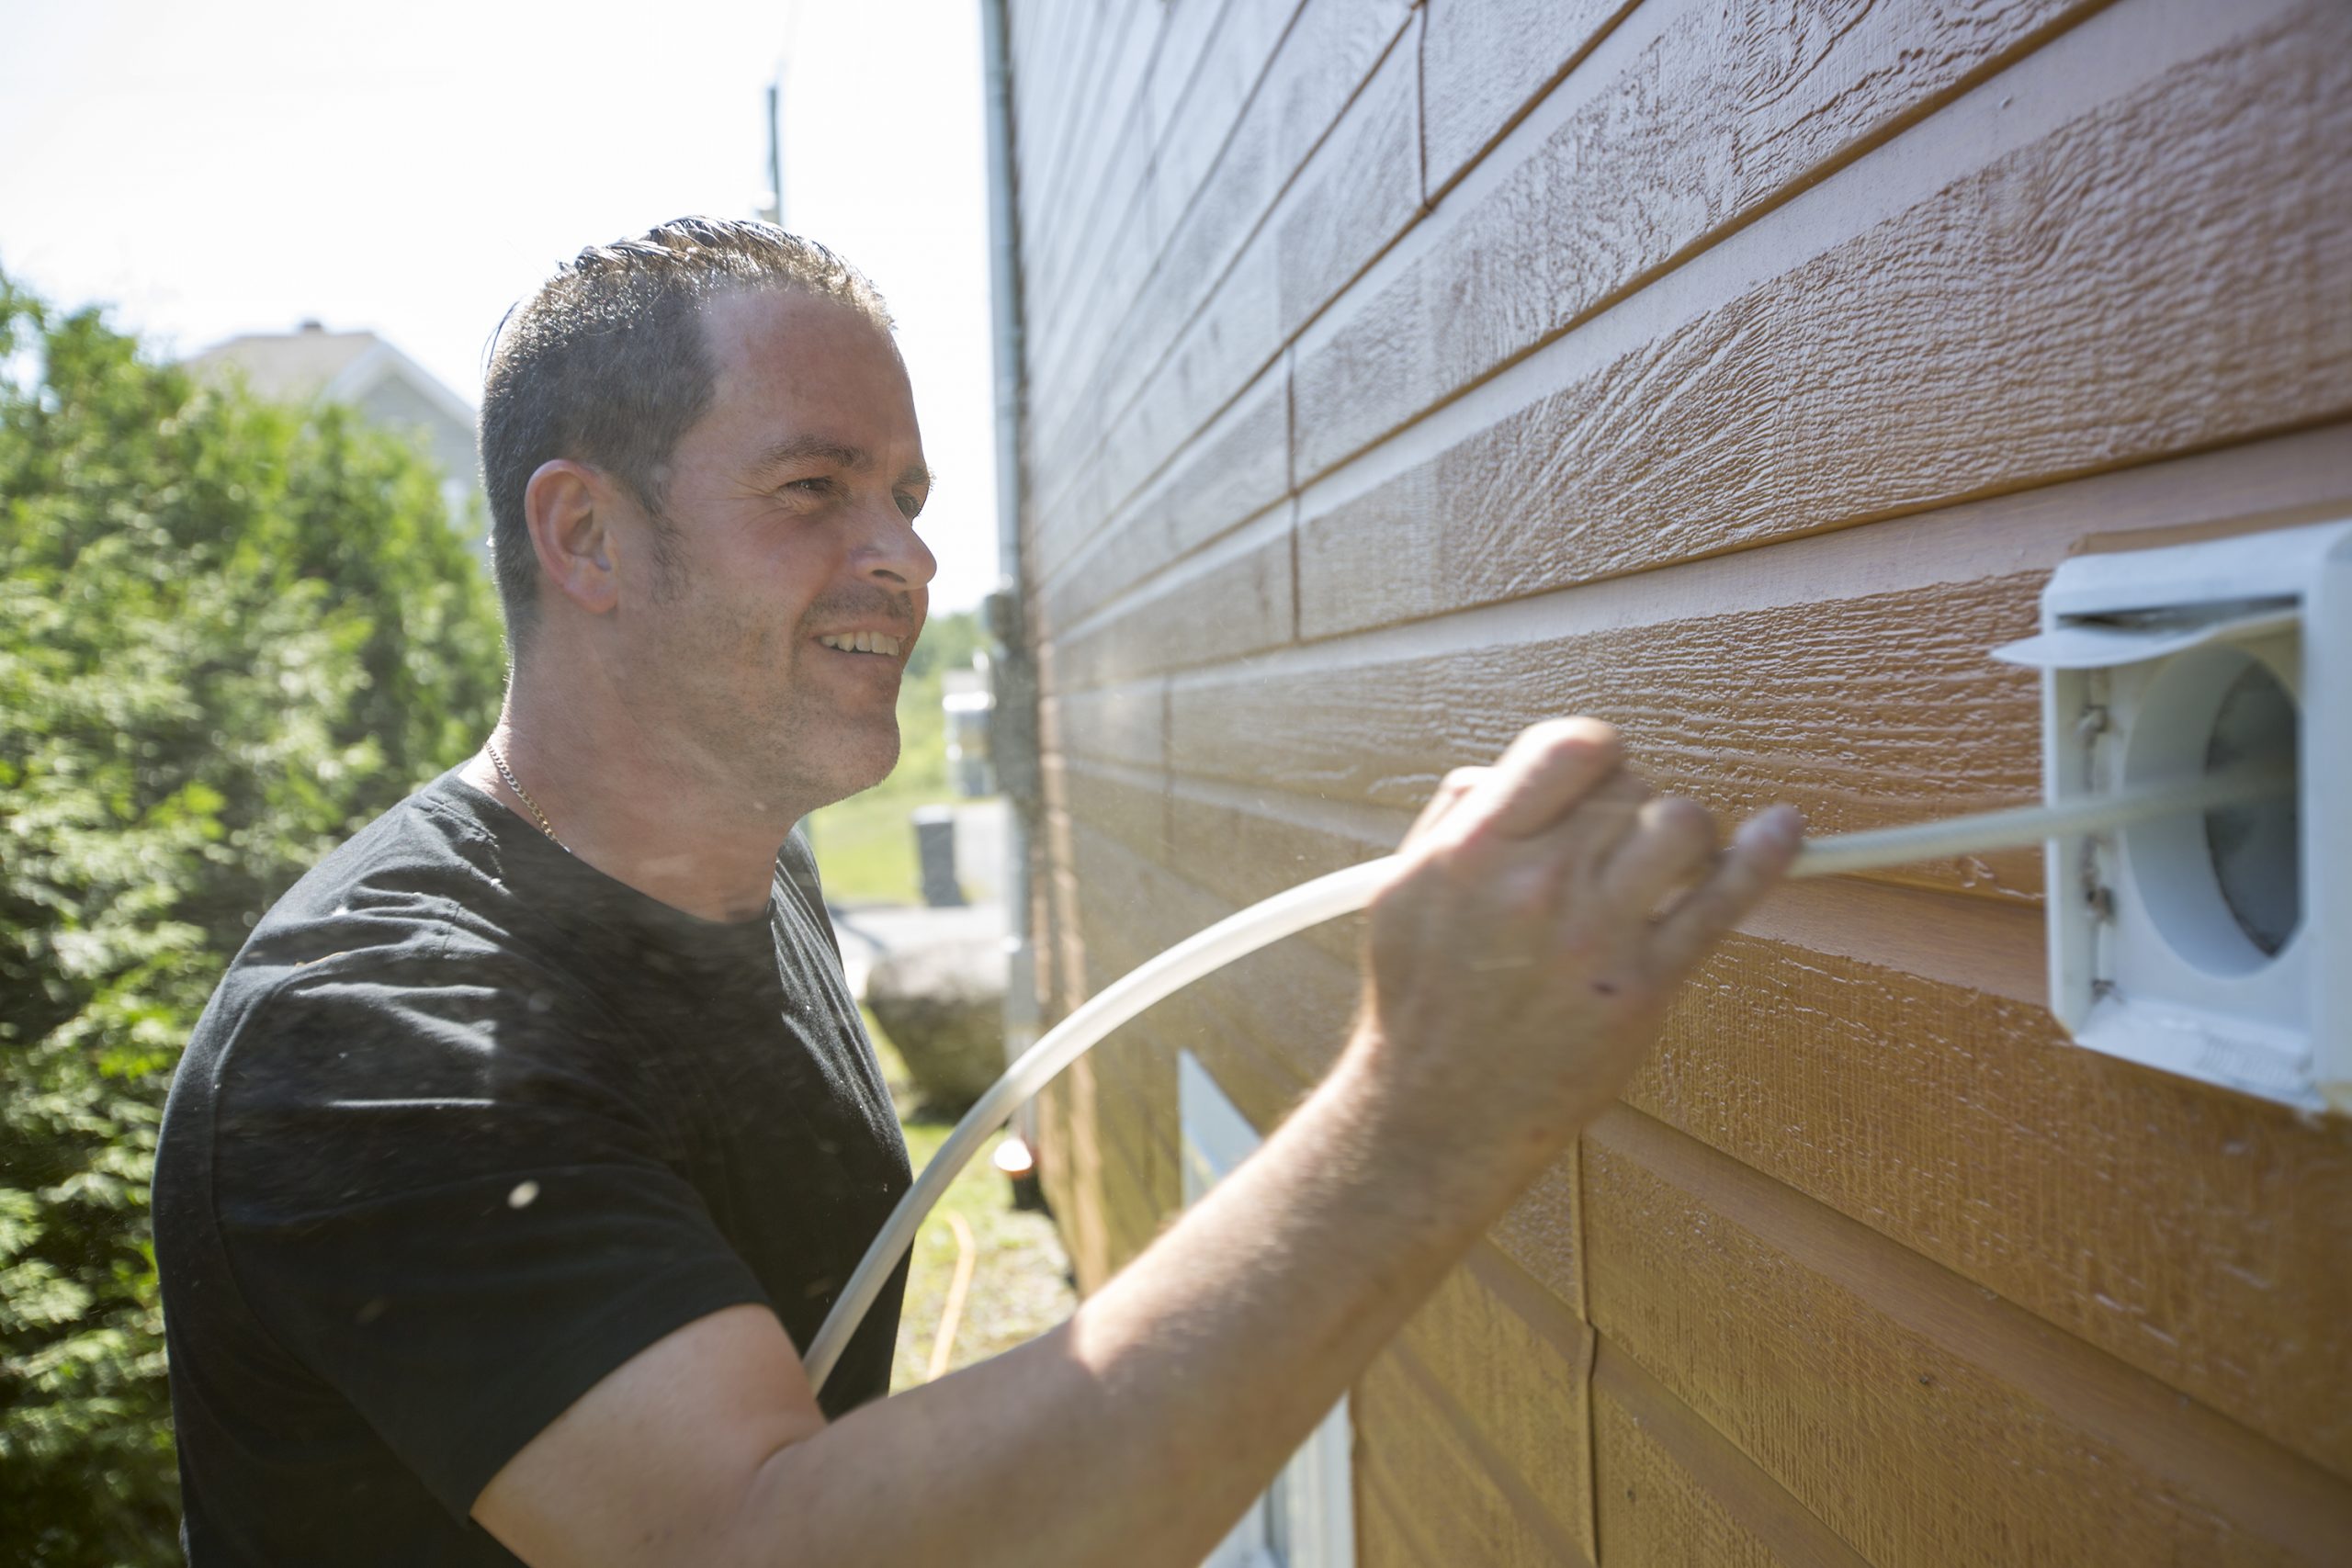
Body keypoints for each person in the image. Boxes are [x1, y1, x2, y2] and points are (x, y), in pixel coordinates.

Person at [154, 218, 1802, 1565]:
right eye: (816, 489)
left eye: (909, 499)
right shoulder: (376, 1039)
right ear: (585, 535)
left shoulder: (748, 868)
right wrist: (1426, 1116)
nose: (910, 559)